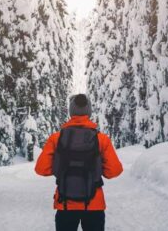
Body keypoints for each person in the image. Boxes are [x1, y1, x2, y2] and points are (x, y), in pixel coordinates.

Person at [35, 94, 123, 231]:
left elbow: (41, 169)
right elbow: (114, 171)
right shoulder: (101, 139)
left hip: (65, 204)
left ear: (71, 112)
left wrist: (62, 168)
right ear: (89, 112)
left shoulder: (56, 138)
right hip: (94, 205)